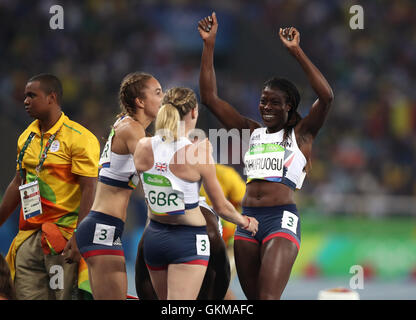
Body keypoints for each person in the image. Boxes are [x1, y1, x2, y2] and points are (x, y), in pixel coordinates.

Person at [198, 13, 334, 299]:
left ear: (289, 106)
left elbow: (327, 96)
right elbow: (210, 98)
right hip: (247, 221)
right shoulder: (251, 131)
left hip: (280, 219)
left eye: (275, 102)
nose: (266, 107)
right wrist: (209, 45)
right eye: (263, 101)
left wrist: (296, 51)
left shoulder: (302, 133)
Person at [133, 87, 258, 300]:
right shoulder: (199, 150)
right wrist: (245, 222)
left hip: (154, 237)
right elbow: (220, 206)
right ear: (194, 112)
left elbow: (148, 193)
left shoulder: (144, 146)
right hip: (187, 239)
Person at [0, 73, 100, 300]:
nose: (25, 101)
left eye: (32, 95)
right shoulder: (26, 138)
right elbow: (18, 183)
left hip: (63, 239)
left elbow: (89, 189)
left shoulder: (80, 138)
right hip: (28, 238)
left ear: (51, 98)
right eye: (25, 96)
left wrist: (80, 236)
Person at [75, 72, 163, 300]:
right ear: (140, 102)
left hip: (103, 227)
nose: (163, 98)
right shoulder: (132, 129)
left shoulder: (127, 126)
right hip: (102, 229)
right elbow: (152, 171)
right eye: (157, 92)